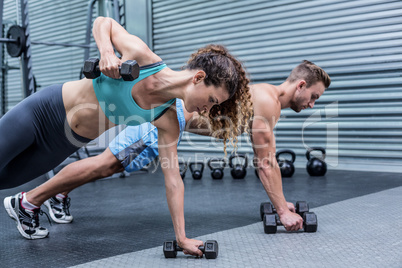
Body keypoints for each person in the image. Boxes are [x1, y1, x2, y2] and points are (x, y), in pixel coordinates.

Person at [4, 60, 330, 247]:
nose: (312, 104)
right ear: (300, 85)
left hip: (176, 121)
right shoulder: (268, 103)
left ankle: (56, 197)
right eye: (313, 96)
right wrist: (282, 211)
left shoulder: (266, 99)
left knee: (109, 166)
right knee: (106, 164)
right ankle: (29, 200)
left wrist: (280, 200)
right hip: (168, 113)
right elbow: (266, 162)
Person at [0, 16, 253, 257]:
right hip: (43, 112)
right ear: (198, 78)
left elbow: (174, 181)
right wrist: (107, 52)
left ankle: (25, 204)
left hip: (64, 143)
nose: (207, 110)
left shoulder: (168, 120)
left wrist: (182, 238)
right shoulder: (144, 59)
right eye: (211, 100)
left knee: (6, 179)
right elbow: (103, 23)